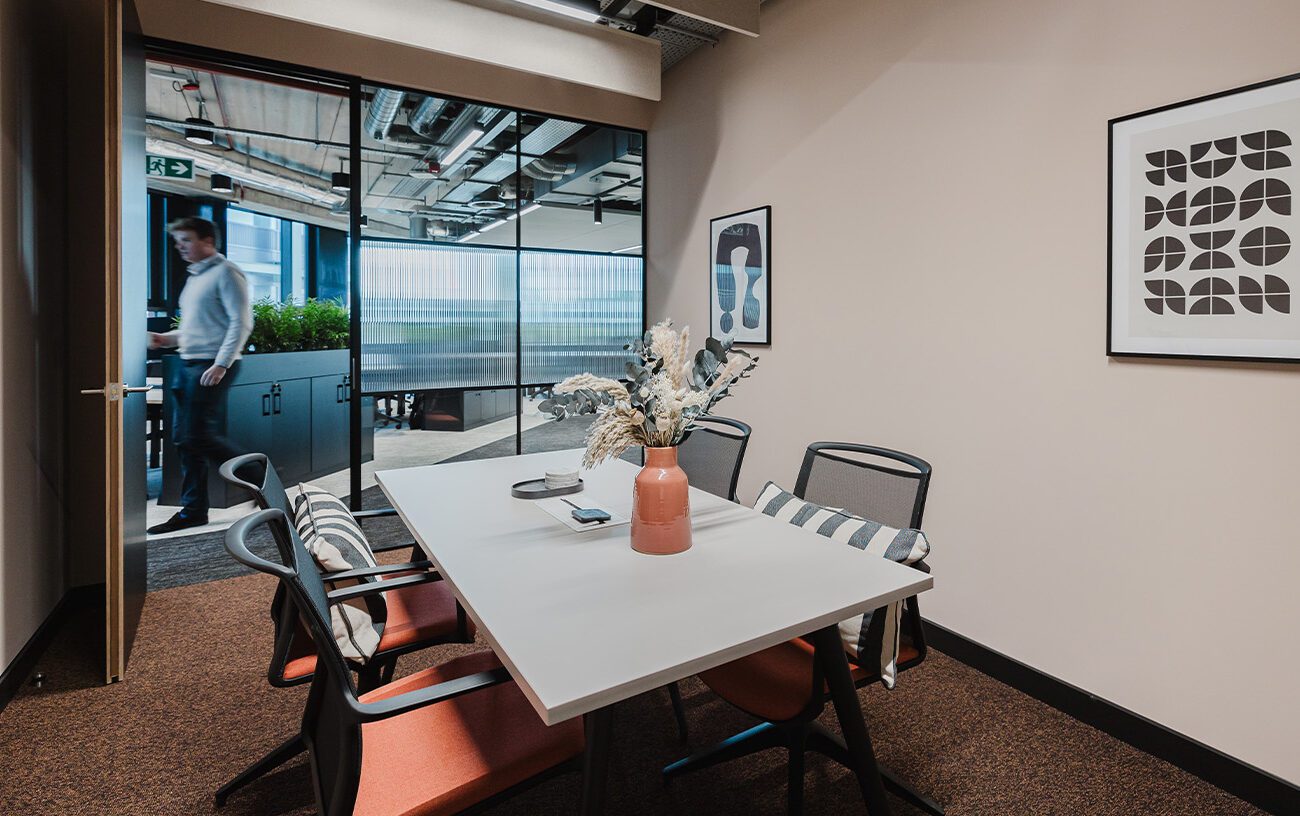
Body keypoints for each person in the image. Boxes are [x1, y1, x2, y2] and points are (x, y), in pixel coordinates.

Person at [146, 216, 253, 534]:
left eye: (187, 240)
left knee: (198, 436)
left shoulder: (227, 272)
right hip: (188, 363)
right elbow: (199, 328)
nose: (180, 247)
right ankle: (193, 510)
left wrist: (221, 364)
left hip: (211, 364)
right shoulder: (195, 278)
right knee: (183, 440)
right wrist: (169, 339)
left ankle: (260, 479)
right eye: (177, 241)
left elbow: (241, 322)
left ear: (208, 241)